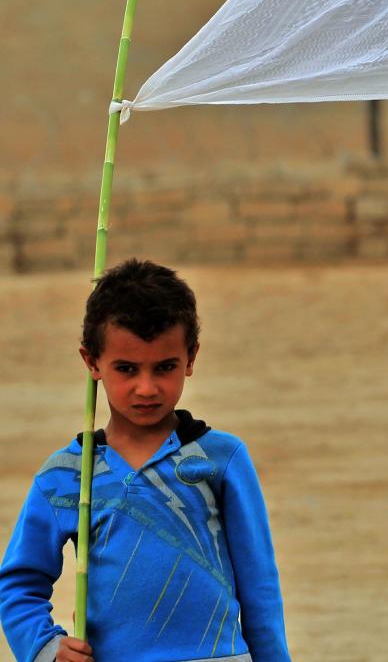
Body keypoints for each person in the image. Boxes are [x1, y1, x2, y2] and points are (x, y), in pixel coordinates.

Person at [0, 258, 292, 662]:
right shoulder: (68, 474)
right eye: (126, 368)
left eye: (165, 367)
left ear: (190, 358)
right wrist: (45, 646)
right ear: (91, 362)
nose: (146, 387)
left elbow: (259, 587)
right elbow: (18, 584)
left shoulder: (221, 460)